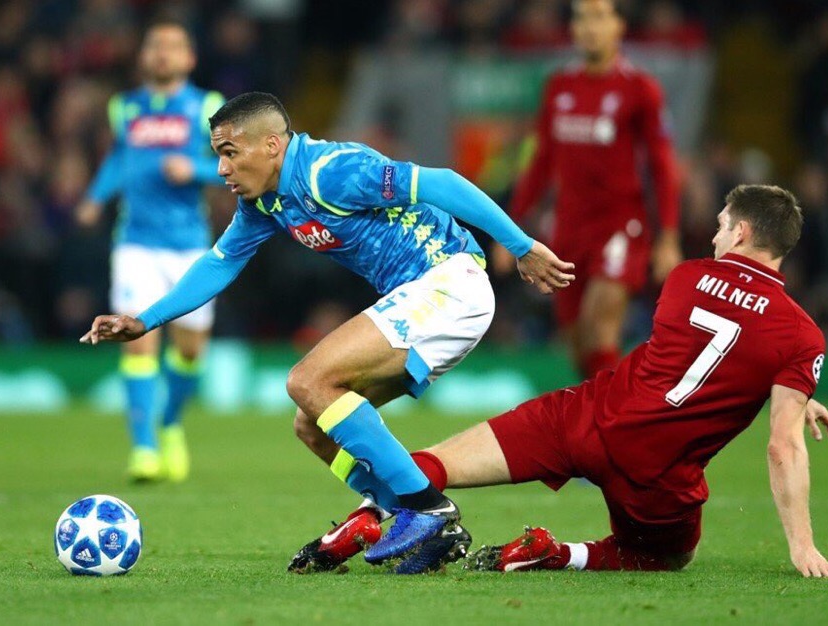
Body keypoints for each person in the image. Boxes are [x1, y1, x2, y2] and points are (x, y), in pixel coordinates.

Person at [80, 92, 575, 573]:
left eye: (229, 153)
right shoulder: (266, 202)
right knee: (312, 423)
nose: (222, 169)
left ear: (271, 145)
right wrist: (144, 320)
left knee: (307, 380)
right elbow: (221, 262)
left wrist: (521, 245)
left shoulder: (328, 171)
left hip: (448, 282)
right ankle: (394, 513)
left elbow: (441, 182)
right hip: (426, 297)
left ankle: (427, 510)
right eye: (218, 156)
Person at [298, 184, 828, 579]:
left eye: (723, 226)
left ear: (742, 232)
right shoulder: (800, 336)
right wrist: (802, 542)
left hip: (582, 417)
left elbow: (698, 346)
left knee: (432, 467)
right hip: (656, 470)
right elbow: (781, 443)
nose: (715, 235)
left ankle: (366, 516)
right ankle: (553, 552)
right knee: (664, 557)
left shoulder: (686, 277)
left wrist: (786, 384)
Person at [494, 0, 682, 379]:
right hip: (568, 229)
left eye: (599, 17)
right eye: (582, 18)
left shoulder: (639, 88)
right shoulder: (559, 86)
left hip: (620, 226)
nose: (590, 27)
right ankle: (603, 408)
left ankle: (617, 413)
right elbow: (541, 163)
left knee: (600, 326)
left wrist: (668, 237)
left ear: (619, 26)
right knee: (577, 341)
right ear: (573, 29)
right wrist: (510, 230)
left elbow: (662, 166)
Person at [75, 19, 225, 483]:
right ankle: (143, 448)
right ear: (143, 56)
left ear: (189, 58)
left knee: (190, 350)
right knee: (136, 341)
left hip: (189, 244)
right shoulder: (124, 107)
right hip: (135, 242)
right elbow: (120, 156)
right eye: (155, 45)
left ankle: (170, 422)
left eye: (172, 46)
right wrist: (96, 196)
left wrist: (196, 169)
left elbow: (232, 164)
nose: (162, 53)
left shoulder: (208, 106)